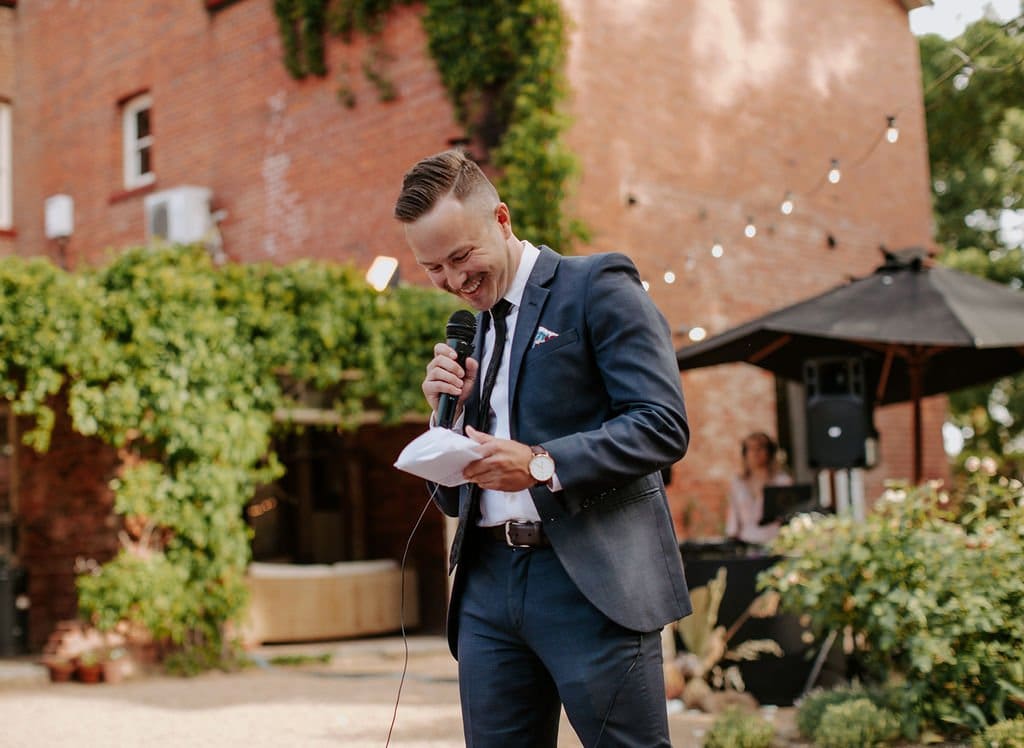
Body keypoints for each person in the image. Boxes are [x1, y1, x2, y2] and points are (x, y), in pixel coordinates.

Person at [394, 149, 691, 747]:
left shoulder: (597, 286)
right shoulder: (472, 332)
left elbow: (662, 425)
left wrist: (538, 464)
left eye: (462, 256)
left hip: (590, 578)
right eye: (434, 269)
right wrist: (441, 418)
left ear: (501, 220)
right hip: (486, 587)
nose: (455, 281)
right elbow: (453, 502)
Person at [724, 432, 793, 545]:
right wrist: (732, 539)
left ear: (769, 452)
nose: (755, 453)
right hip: (746, 541)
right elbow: (733, 514)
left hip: (775, 541)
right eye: (751, 449)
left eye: (760, 448)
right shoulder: (738, 483)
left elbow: (788, 515)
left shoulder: (782, 481)